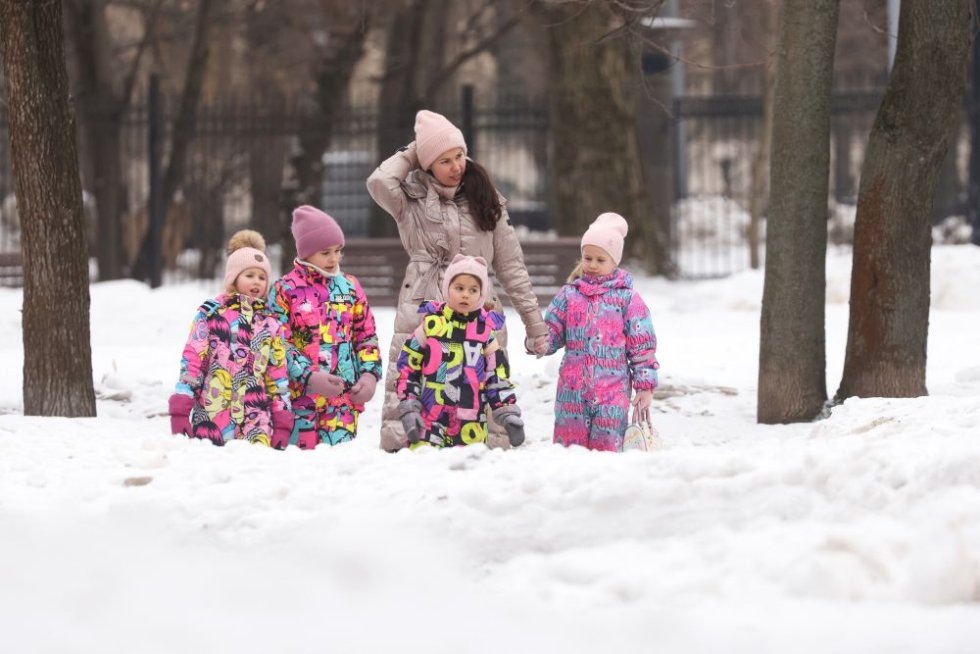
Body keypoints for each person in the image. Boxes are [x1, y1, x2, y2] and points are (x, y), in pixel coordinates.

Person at [366, 109, 547, 452]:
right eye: (444, 159)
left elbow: (512, 267)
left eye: (459, 155)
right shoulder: (411, 201)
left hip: (479, 306)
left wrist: (535, 326)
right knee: (414, 374)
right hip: (424, 301)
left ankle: (487, 451)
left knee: (485, 379)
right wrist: (413, 151)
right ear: (426, 163)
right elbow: (378, 182)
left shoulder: (486, 200)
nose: (456, 166)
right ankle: (411, 442)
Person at [535, 213, 659, 452]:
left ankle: (605, 485)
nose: (592, 265)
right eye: (587, 258)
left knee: (606, 449)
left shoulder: (627, 299)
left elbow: (642, 345)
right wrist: (539, 341)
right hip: (572, 390)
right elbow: (552, 331)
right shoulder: (569, 295)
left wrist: (645, 385)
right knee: (569, 448)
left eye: (600, 259)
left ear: (615, 261)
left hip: (612, 391)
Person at [269, 205, 382, 449]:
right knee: (304, 465)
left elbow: (366, 336)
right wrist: (308, 376)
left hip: (342, 399)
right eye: (325, 252)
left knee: (339, 463)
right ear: (306, 253)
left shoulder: (350, 287)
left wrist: (369, 374)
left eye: (338, 251)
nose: (334, 259)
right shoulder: (284, 290)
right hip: (300, 399)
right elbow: (278, 343)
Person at [168, 230, 293, 447]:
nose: (257, 282)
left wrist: (282, 419)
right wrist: (182, 403)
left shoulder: (270, 323)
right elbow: (193, 362)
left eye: (262, 277)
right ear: (233, 278)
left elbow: (277, 375)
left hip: (256, 422)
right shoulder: (211, 314)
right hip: (213, 416)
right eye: (249, 275)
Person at [396, 254, 525, 449]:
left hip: (470, 424)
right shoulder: (431, 326)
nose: (465, 294)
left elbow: (496, 376)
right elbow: (408, 365)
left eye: (473, 290)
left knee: (467, 472)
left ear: (481, 295)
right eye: (459, 288)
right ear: (447, 289)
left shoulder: (485, 334)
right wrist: (409, 405)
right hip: (431, 419)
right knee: (426, 467)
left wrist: (506, 411)